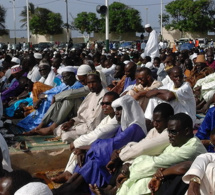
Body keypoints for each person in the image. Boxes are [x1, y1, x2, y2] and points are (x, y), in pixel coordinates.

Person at [52, 95, 147, 195]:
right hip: (116, 155)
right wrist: (85, 149)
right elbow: (109, 143)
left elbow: (113, 144)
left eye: (120, 109)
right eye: (116, 110)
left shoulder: (135, 127)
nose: (116, 113)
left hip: (125, 160)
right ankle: (69, 185)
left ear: (128, 109)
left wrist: (85, 147)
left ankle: (71, 187)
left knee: (95, 161)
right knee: (89, 157)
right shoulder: (125, 125)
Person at [117, 113, 206, 195]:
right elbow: (157, 161)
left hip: (179, 185)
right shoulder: (180, 140)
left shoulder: (192, 147)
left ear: (186, 131)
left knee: (140, 184)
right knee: (129, 183)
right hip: (162, 177)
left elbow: (154, 164)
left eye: (173, 132)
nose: (169, 135)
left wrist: (130, 170)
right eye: (168, 131)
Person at [51, 91, 120, 183]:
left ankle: (72, 175)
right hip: (98, 143)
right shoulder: (108, 118)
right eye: (102, 104)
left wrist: (77, 144)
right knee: (78, 148)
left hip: (108, 148)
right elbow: (96, 132)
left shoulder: (116, 120)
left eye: (107, 104)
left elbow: (98, 135)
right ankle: (68, 172)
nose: (104, 106)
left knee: (80, 148)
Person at [22, 65, 92, 135]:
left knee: (68, 99)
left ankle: (52, 127)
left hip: (84, 110)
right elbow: (49, 92)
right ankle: (40, 125)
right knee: (58, 101)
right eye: (63, 77)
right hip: (70, 108)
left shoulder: (80, 85)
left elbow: (70, 93)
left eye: (65, 76)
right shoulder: (65, 85)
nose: (63, 79)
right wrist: (48, 97)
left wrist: (55, 97)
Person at [53, 72, 107, 143]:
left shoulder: (104, 96)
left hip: (92, 129)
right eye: (89, 83)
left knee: (66, 136)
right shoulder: (91, 94)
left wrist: (74, 127)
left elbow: (94, 125)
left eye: (93, 82)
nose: (91, 86)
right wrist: (71, 122)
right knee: (58, 129)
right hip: (82, 125)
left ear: (100, 81)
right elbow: (82, 115)